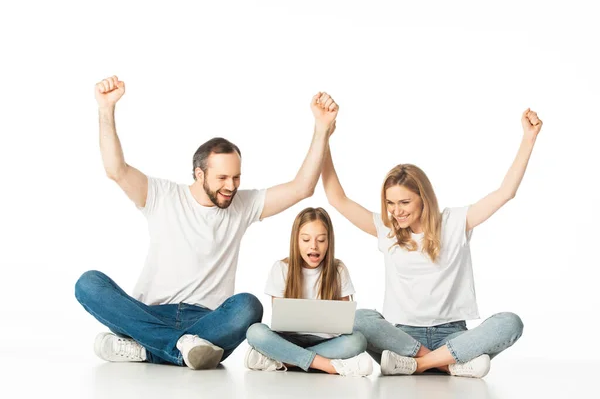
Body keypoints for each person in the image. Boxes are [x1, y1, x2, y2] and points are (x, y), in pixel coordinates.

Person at [74, 75, 338, 370]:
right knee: (88, 284)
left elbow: (302, 187)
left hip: (208, 322)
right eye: (222, 178)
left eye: (236, 177)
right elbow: (115, 169)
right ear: (199, 174)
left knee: (248, 306)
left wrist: (321, 130)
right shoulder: (162, 195)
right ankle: (179, 346)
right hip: (149, 313)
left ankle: (148, 348)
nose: (231, 185)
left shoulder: (242, 205)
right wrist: (105, 109)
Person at [321, 109, 542, 378]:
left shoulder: (455, 222)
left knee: (510, 323)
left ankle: (420, 365)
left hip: (453, 333)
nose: (396, 211)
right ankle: (449, 364)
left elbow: (505, 192)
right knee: (358, 318)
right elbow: (337, 198)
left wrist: (528, 139)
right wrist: (323, 137)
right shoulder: (387, 230)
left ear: (423, 198)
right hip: (403, 337)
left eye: (404, 202)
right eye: (390, 203)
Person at [244, 207, 373, 377]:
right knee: (255, 331)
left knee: (358, 341)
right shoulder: (281, 268)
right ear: (296, 241)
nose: (314, 246)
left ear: (329, 242)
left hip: (327, 341)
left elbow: (345, 321)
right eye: (306, 240)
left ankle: (285, 360)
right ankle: (326, 365)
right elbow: (280, 317)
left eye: (321, 240)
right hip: (289, 339)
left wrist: (286, 352)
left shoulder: (338, 269)